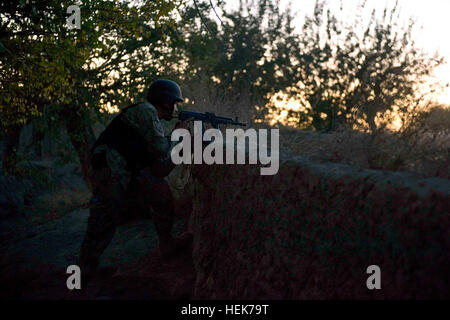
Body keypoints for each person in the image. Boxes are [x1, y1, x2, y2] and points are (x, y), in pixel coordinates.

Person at [79, 79, 193, 277]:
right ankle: (84, 270)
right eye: (173, 103)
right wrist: (179, 133)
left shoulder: (150, 117)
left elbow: (159, 169)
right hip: (111, 170)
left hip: (126, 171)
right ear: (165, 101)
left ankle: (167, 244)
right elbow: (161, 149)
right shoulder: (147, 111)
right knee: (104, 215)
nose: (174, 108)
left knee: (161, 193)